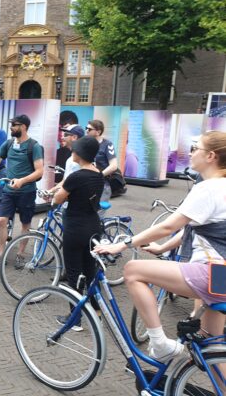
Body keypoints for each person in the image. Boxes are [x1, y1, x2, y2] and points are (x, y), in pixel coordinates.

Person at [94, 131, 226, 362]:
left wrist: (122, 245)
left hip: (211, 272)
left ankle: (159, 343)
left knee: (133, 270)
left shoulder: (207, 188)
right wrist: (163, 248)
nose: (191, 153)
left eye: (196, 149)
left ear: (211, 156)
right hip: (221, 276)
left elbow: (169, 226)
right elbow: (194, 227)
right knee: (210, 348)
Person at [0, 114, 44, 268]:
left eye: (15, 125)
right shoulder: (9, 143)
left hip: (26, 191)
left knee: (25, 224)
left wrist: (22, 181)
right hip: (9, 191)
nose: (11, 128)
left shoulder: (34, 146)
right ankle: (1, 255)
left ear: (23, 127)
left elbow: (39, 172)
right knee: (1, 220)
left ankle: (20, 255)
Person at [52, 137, 104, 329]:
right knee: (91, 272)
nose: (71, 152)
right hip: (93, 227)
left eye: (74, 150)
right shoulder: (98, 174)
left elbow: (58, 198)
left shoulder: (76, 176)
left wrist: (55, 196)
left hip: (75, 227)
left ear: (80, 153)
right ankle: (98, 312)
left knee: (74, 273)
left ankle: (75, 319)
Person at [85, 119, 118, 205]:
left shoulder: (107, 144)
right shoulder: (85, 143)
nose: (86, 131)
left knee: (98, 214)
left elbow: (113, 166)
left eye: (89, 129)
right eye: (86, 128)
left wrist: (99, 176)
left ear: (98, 132)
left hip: (102, 185)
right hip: (87, 184)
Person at [49, 125, 85, 195]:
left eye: (65, 135)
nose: (62, 137)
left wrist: (54, 194)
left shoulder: (77, 159)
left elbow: (69, 184)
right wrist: (51, 191)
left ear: (74, 137)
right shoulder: (73, 157)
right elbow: (66, 181)